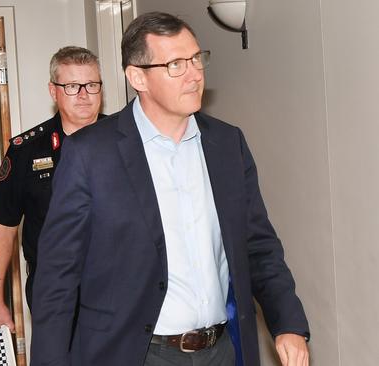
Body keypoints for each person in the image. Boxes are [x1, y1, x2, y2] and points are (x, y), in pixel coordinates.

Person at [30, 12, 309, 366]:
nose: (194, 74)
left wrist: (288, 323)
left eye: (196, 58)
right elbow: (58, 276)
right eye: (176, 64)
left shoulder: (227, 144)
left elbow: (258, 246)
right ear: (137, 78)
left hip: (221, 350)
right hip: (138, 354)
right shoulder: (91, 154)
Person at [0, 46, 104, 344]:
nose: (84, 95)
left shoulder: (128, 142)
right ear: (54, 91)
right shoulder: (27, 150)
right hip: (55, 286)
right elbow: (2, 227)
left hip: (115, 282)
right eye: (72, 86)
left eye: (92, 85)